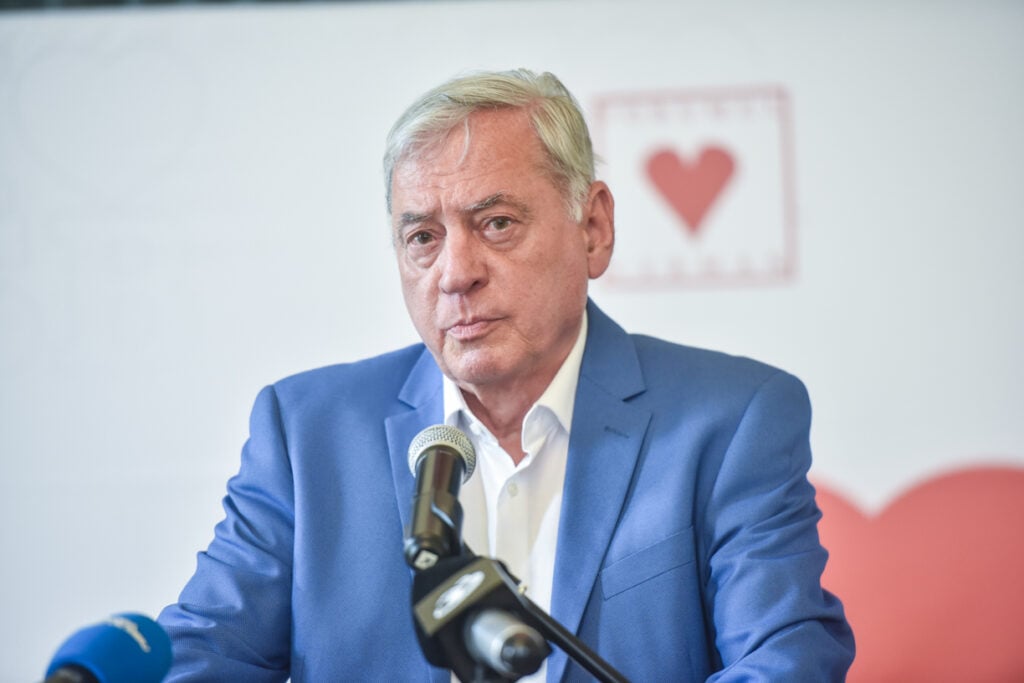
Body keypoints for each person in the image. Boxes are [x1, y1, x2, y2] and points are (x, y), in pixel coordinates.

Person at [158, 68, 855, 681]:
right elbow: (203, 655)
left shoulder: (732, 422)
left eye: (495, 223)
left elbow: (784, 660)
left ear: (593, 228)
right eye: (422, 237)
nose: (455, 274)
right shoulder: (306, 434)